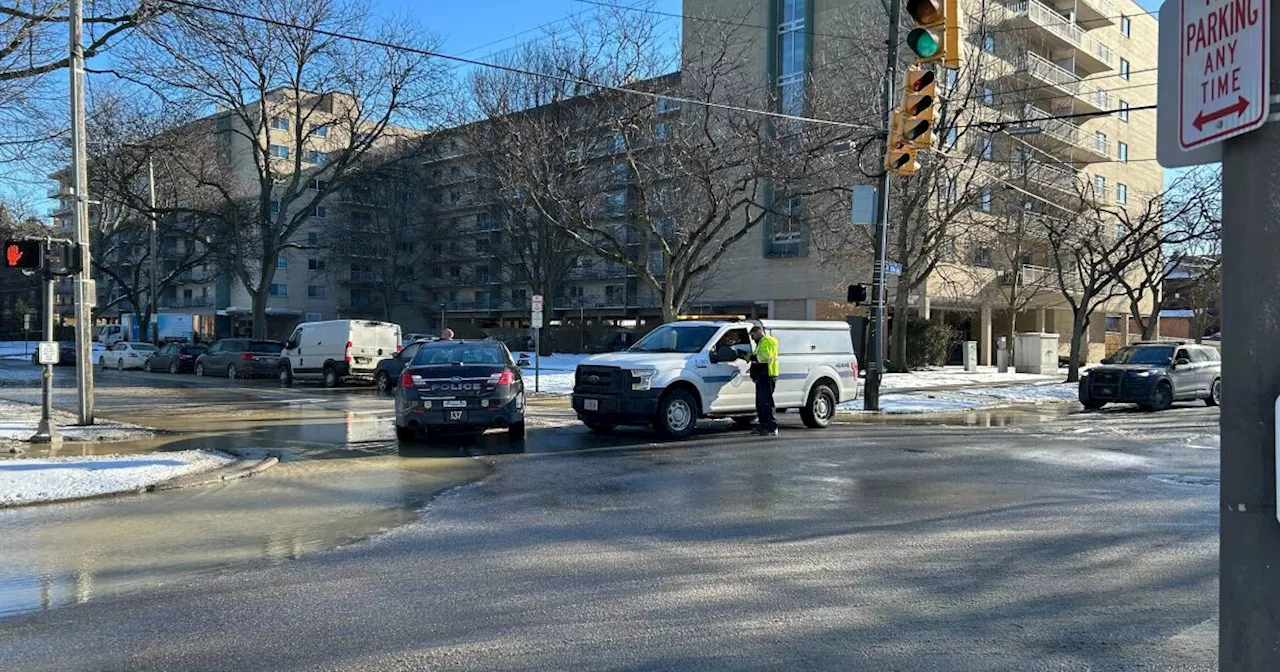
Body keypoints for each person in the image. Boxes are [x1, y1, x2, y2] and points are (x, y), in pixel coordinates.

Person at [747, 325, 779, 436]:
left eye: (753, 335)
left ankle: (772, 427)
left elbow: (765, 357)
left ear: (759, 332)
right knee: (760, 403)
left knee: (767, 403)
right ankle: (763, 426)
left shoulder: (768, 341)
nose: (752, 338)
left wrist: (750, 357)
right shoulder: (760, 343)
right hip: (762, 377)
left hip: (768, 375)